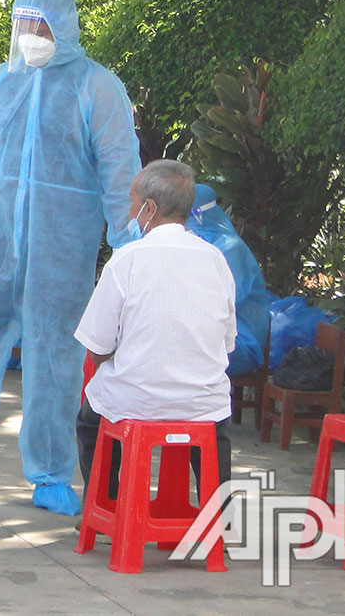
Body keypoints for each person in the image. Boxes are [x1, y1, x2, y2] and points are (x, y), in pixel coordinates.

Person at [0, 0, 142, 517]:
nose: (31, 35)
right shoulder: (0, 82)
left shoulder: (98, 88)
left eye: (42, 25)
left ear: (65, 25)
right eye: (24, 24)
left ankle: (50, 472)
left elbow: (120, 175)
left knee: (54, 361)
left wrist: (130, 246)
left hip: (60, 254)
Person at [74, 160, 236, 502]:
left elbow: (97, 347)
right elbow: (226, 344)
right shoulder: (216, 261)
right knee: (213, 426)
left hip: (135, 400)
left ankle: (106, 504)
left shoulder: (127, 259)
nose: (129, 213)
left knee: (90, 420)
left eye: (132, 202)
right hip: (202, 401)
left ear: (150, 208)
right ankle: (219, 517)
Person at [186, 184, 272, 378]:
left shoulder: (228, 249)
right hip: (218, 335)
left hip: (241, 342)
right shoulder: (210, 243)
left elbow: (220, 306)